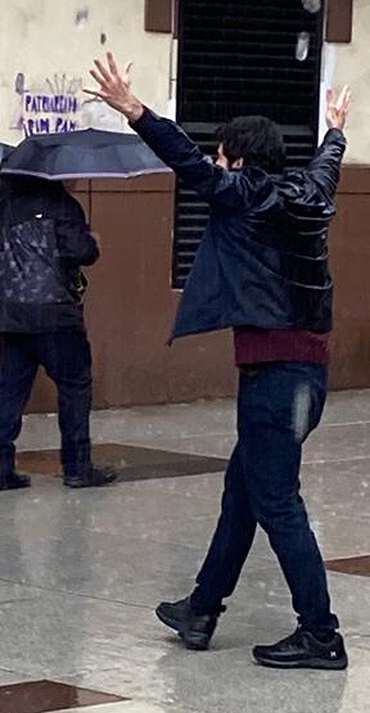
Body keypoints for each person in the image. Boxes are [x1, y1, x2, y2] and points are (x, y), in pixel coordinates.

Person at [87, 51, 350, 670]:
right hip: (305, 372)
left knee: (278, 501)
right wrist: (336, 130)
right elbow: (328, 164)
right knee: (243, 494)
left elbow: (187, 161)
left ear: (236, 159)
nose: (216, 163)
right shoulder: (307, 191)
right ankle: (201, 609)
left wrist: (137, 111)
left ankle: (321, 633)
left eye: (223, 154)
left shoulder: (243, 197)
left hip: (276, 378)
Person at [0, 175, 117, 491]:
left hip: (10, 312)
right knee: (74, 386)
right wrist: (92, 242)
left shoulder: (4, 207)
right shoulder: (63, 205)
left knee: (10, 391)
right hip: (55, 312)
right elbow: (80, 252)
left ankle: (0, 468)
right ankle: (77, 465)